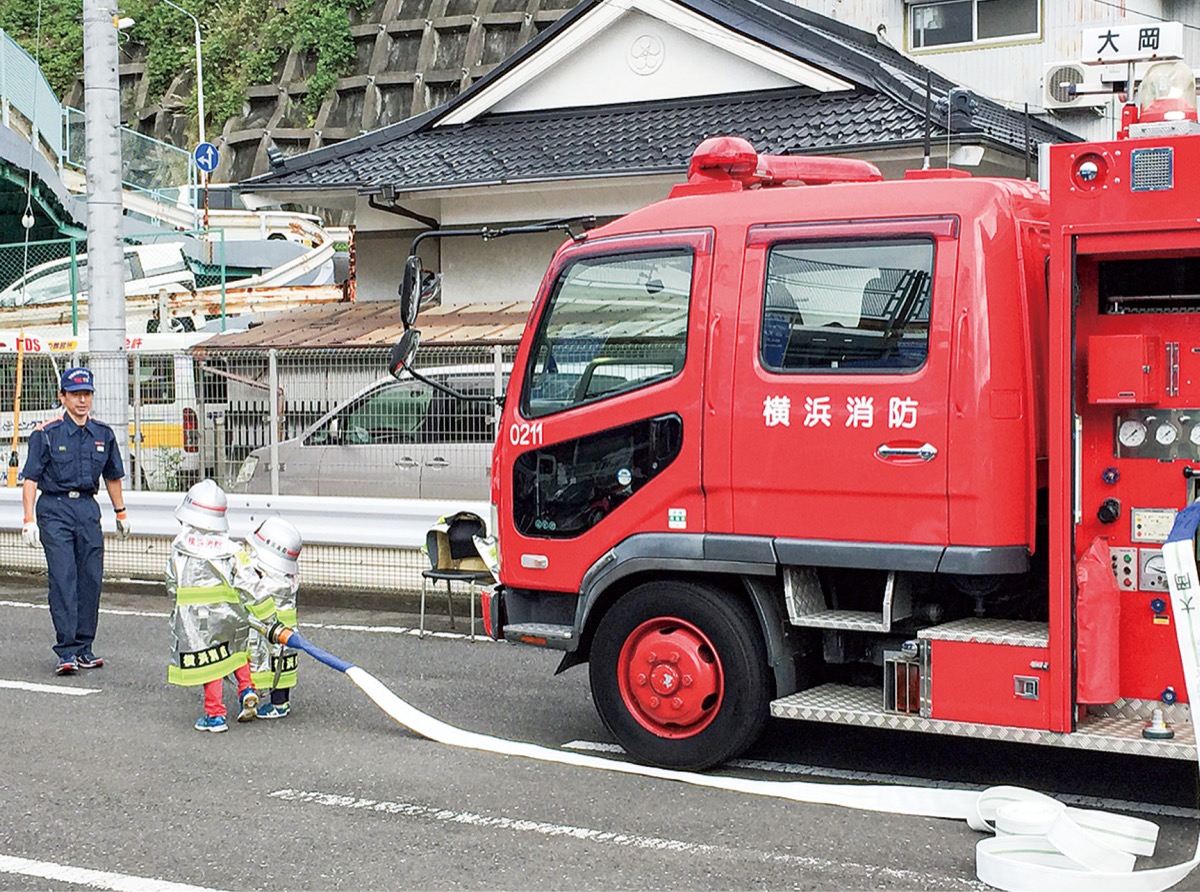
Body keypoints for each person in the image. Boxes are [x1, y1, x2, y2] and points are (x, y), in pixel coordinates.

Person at [21, 366, 131, 675]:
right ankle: (66, 650)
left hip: (86, 509)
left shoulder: (102, 434)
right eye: (75, 395)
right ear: (63, 397)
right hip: (55, 509)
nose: (82, 401)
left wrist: (120, 512)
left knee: (90, 579)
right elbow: (30, 479)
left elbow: (112, 476)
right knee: (63, 578)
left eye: (86, 394)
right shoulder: (46, 433)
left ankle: (85, 647)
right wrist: (29, 518)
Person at [166, 478, 260, 733]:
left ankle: (215, 715)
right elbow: (248, 580)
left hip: (197, 618)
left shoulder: (180, 547)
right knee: (236, 650)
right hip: (231, 613)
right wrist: (263, 612)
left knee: (211, 661)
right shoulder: (232, 548)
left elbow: (172, 582)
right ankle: (247, 688)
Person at [245, 517, 303, 719]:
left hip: (269, 629)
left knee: (268, 663)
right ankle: (281, 702)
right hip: (286, 631)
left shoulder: (269, 578)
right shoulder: (287, 577)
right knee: (282, 665)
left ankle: (274, 703)